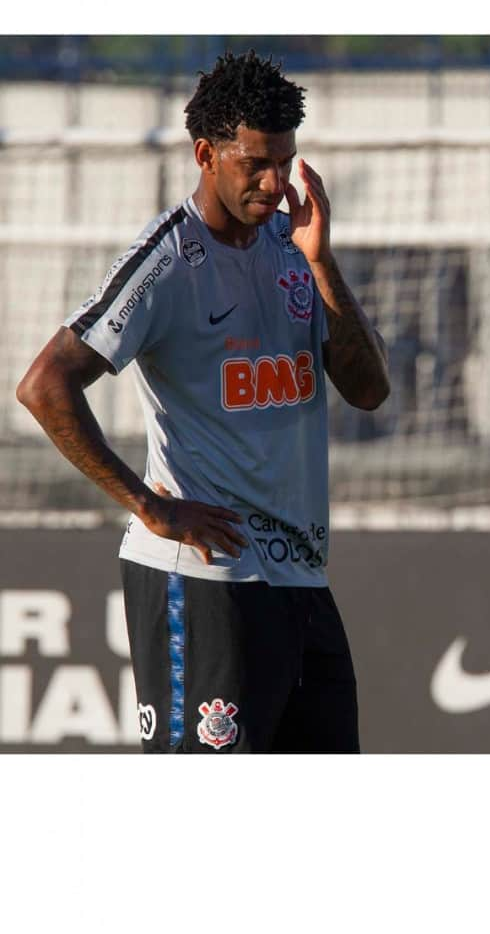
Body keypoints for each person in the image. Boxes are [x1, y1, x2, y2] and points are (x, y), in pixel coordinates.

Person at [16, 50, 390, 752]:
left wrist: (322, 260)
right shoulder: (167, 259)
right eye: (255, 163)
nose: (275, 182)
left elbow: (369, 391)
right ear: (205, 155)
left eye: (285, 161)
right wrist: (149, 506)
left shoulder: (294, 246)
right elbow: (44, 385)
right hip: (208, 581)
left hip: (302, 581)